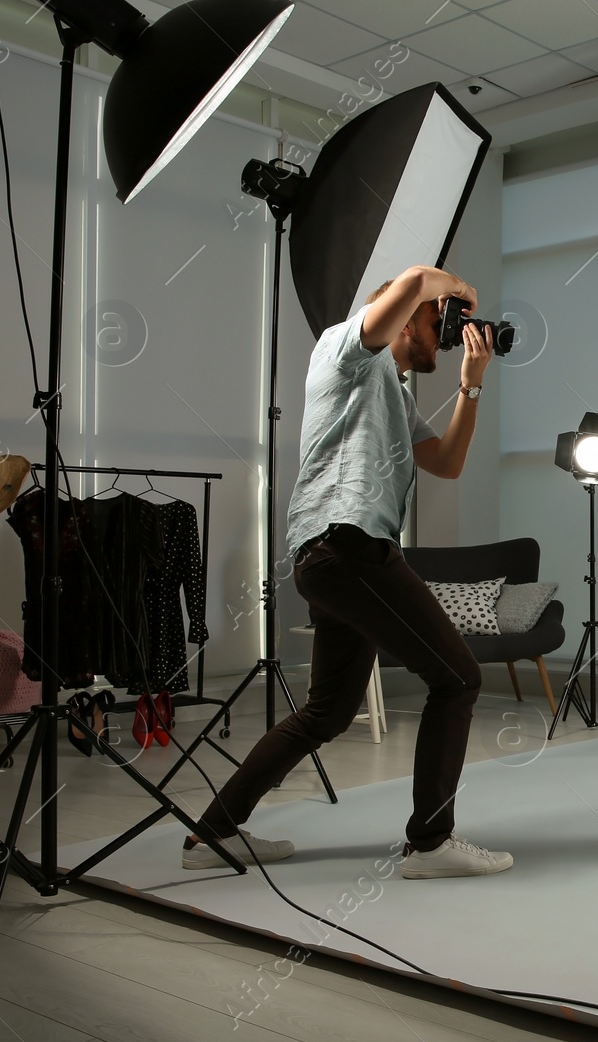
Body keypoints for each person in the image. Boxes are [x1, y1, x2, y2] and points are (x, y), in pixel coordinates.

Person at [182, 265, 512, 878]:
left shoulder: (394, 391)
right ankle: (431, 844)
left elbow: (447, 462)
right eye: (440, 317)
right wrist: (457, 288)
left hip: (335, 557)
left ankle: (213, 834)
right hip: (349, 545)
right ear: (403, 310)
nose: (448, 328)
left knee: (327, 712)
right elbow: (412, 279)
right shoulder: (347, 351)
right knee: (459, 677)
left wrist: (471, 383)